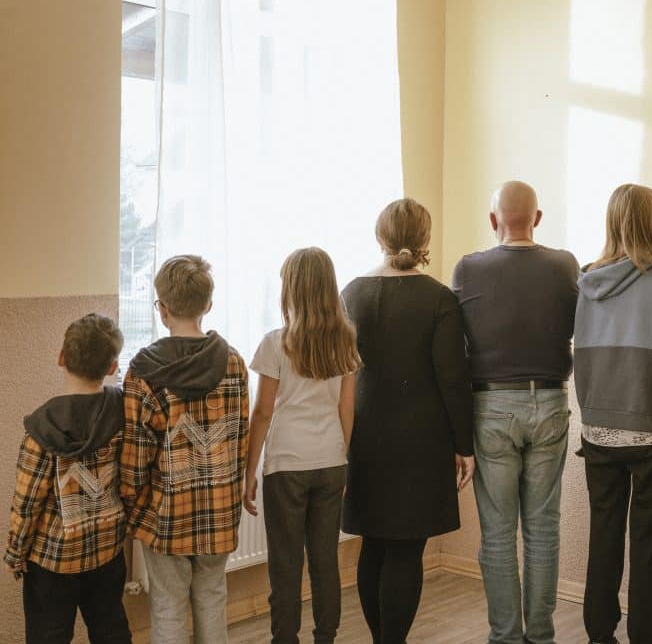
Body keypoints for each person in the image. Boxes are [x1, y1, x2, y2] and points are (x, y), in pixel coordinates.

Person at [341, 198, 474, 644]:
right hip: (421, 440)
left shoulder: (351, 293)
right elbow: (452, 378)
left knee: (373, 544)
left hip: (363, 434)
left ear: (380, 237)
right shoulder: (439, 299)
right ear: (425, 241)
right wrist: (464, 444)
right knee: (406, 550)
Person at [451, 181, 579, 644]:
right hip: (549, 401)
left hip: (491, 406)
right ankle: (540, 636)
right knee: (543, 529)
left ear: (493, 222)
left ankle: (505, 636)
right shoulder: (566, 265)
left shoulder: (468, 268)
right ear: (538, 218)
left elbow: (458, 343)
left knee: (498, 534)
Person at [574, 183, 652, 644]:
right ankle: (645, 634)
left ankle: (599, 634)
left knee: (603, 536)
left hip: (597, 426)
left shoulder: (586, 282)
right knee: (647, 544)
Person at [120, 255, 250, 644]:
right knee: (212, 599)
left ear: (161, 310)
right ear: (207, 305)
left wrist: (128, 499)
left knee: (167, 606)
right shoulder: (233, 362)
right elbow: (239, 437)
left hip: (164, 514)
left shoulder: (142, 371)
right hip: (220, 509)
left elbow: (135, 456)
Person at [244, 248, 361, 644]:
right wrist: (342, 457)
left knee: (285, 564)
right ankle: (326, 637)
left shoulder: (276, 343)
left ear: (290, 290)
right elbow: (347, 408)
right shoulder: (346, 340)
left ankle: (285, 639)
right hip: (330, 462)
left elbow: (261, 413)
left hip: (286, 466)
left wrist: (248, 472)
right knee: (325, 561)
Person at [4, 313, 133, 644]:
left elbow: (27, 502)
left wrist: (15, 554)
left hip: (51, 562)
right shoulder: (123, 412)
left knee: (49, 636)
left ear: (61, 357)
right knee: (111, 630)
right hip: (108, 550)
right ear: (112, 367)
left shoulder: (40, 428)